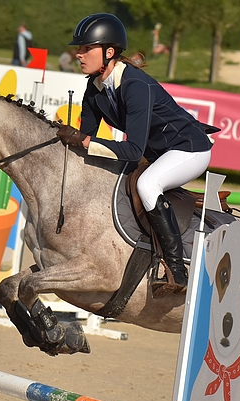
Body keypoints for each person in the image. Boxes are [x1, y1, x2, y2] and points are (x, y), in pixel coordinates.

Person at [55, 13, 214, 297]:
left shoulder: (135, 86)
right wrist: (72, 139)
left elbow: (132, 150)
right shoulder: (94, 88)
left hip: (189, 149)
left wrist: (85, 141)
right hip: (159, 152)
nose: (78, 54)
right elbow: (86, 144)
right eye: (79, 49)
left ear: (109, 52)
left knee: (147, 184)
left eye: (85, 48)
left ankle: (177, 270)